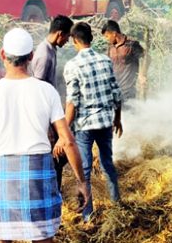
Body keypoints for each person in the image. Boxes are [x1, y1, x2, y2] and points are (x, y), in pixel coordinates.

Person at [0, 28, 90, 243]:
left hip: (3, 171)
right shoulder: (46, 91)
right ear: (30, 57)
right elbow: (67, 141)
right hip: (39, 171)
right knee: (43, 238)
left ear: (2, 55)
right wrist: (81, 182)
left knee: (2, 238)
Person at [64, 22, 123, 222]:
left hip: (85, 126)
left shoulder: (73, 65)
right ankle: (117, 205)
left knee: (85, 170)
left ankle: (88, 214)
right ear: (90, 38)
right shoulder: (105, 60)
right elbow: (117, 93)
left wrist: (64, 129)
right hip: (106, 122)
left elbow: (73, 101)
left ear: (75, 41)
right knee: (107, 163)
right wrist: (118, 119)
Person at [29, 15, 74, 189]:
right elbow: (37, 88)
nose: (68, 40)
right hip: (44, 116)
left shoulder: (50, 49)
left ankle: (55, 189)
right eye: (68, 37)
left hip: (50, 113)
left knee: (59, 155)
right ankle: (51, 190)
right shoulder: (45, 55)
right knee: (55, 154)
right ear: (60, 34)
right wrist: (47, 125)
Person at [101, 20, 144, 101]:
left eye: (107, 36)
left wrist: (142, 75)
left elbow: (146, 58)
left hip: (129, 91)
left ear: (114, 33)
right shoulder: (110, 48)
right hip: (114, 92)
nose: (106, 39)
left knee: (129, 113)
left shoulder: (131, 45)